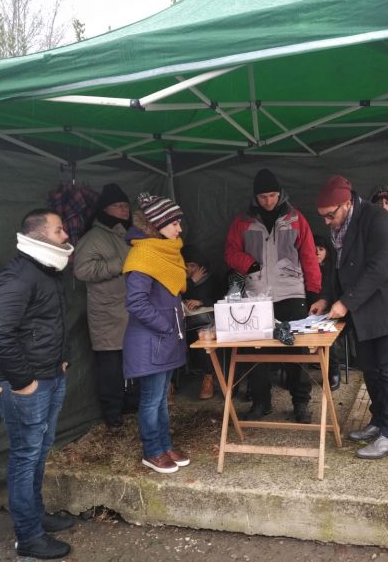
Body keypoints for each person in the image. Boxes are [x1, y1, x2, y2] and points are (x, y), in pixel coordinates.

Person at [0, 209, 75, 559]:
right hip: (25, 385)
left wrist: (59, 360)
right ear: (38, 236)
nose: (65, 236)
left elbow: (50, 323)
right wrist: (23, 382)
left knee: (37, 452)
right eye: (59, 230)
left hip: (49, 376)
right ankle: (28, 537)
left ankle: (35, 518)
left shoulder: (45, 273)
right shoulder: (19, 277)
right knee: (25, 456)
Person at [311, 175, 388, 459]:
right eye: (324, 218)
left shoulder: (377, 219)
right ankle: (378, 421)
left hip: (386, 307)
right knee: (370, 370)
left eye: (330, 216)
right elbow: (337, 268)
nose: (327, 222)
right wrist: (327, 298)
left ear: (346, 203)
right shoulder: (341, 225)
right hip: (361, 312)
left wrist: (345, 302)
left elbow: (379, 268)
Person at [225, 168, 321, 423]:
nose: (268, 201)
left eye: (272, 195)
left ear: (280, 194)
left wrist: (313, 293)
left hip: (292, 293)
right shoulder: (242, 221)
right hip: (257, 294)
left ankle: (301, 403)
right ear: (254, 197)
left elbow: (309, 256)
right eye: (263, 196)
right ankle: (260, 402)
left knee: (297, 352)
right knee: (257, 352)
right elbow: (230, 252)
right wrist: (249, 264)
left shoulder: (296, 219)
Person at [122, 192, 190, 474]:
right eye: (174, 223)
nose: (179, 229)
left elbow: (164, 296)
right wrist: (165, 327)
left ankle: (164, 445)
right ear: (157, 224)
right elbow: (136, 302)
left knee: (162, 397)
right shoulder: (143, 254)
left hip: (163, 338)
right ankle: (152, 451)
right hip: (151, 340)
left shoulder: (164, 252)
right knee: (151, 399)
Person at [74, 183, 136, 435]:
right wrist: (120, 263)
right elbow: (82, 270)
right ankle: (112, 415)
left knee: (132, 362)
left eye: (125, 205)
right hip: (107, 314)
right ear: (105, 209)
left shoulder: (126, 233)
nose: (123, 209)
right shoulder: (93, 238)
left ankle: (131, 406)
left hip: (128, 309)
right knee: (110, 367)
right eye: (118, 206)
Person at [182, 245, 224, 399]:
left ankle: (208, 378)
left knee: (203, 337)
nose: (188, 269)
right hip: (183, 323)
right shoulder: (182, 282)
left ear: (201, 267)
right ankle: (170, 386)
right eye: (186, 265)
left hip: (207, 323)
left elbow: (221, 300)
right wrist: (192, 281)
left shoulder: (212, 280)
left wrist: (201, 301)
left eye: (192, 266)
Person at [313, 234, 342, 391]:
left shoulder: (333, 269)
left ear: (328, 251)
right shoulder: (306, 267)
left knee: (329, 335)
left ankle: (334, 370)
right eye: (314, 249)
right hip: (312, 312)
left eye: (321, 249)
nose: (317, 252)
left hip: (333, 312)